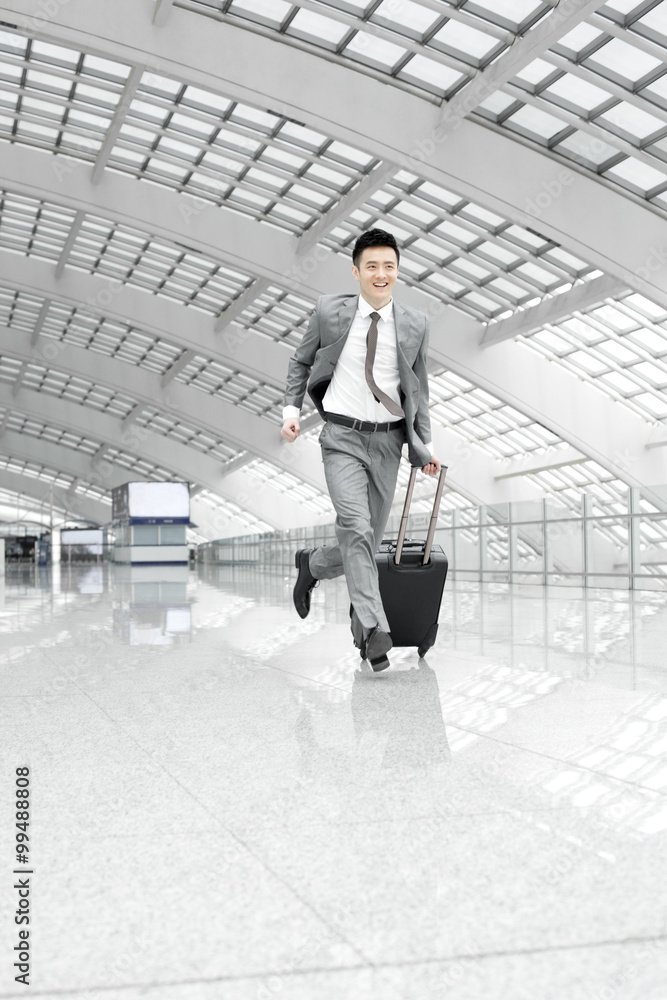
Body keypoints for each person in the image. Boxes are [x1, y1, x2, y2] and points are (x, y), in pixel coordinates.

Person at [281, 229, 441, 672]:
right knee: (354, 525)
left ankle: (312, 565)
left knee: (365, 541)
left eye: (389, 266)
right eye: (372, 266)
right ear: (356, 271)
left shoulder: (414, 324)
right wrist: (290, 411)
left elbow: (418, 390)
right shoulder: (329, 312)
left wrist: (421, 444)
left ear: (397, 271)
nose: (381, 274)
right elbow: (300, 360)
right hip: (341, 438)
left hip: (389, 441)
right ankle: (372, 630)